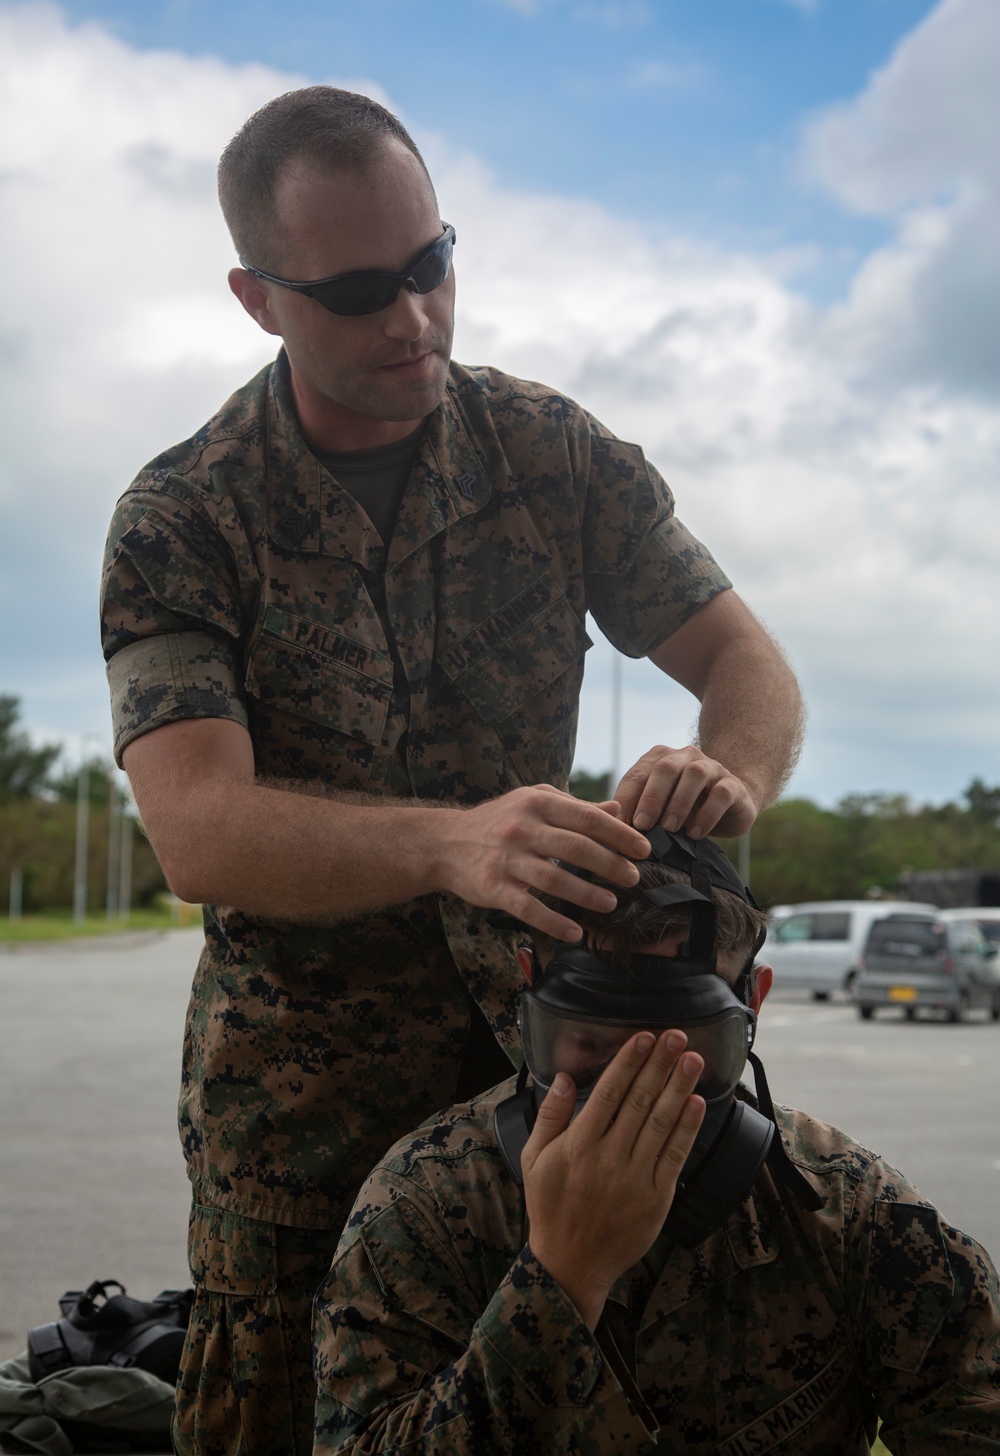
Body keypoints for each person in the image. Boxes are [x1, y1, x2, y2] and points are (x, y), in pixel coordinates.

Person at [99, 86, 803, 1453]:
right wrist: (449, 842)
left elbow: (750, 670)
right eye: (359, 290)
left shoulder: (548, 453)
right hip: (301, 1122)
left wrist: (729, 776)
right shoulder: (186, 516)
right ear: (258, 299)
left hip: (549, 1085)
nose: (412, 319)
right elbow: (197, 831)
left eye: (431, 266)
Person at [312, 832, 1000, 1453]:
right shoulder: (428, 1200)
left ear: (753, 1003)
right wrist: (561, 1281)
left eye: (680, 1052)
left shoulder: (846, 1210)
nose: (632, 1094)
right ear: (527, 986)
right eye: (589, 1046)